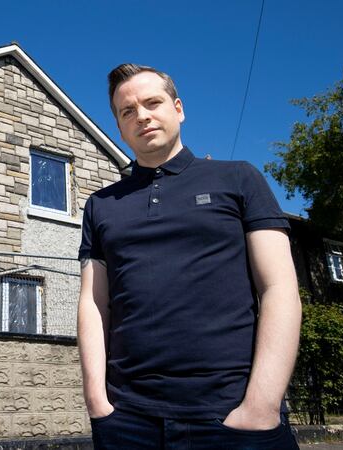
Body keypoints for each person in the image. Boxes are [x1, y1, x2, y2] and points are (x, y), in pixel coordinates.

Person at [77, 63, 302, 449]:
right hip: (128, 421)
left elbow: (279, 288)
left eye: (153, 103)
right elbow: (94, 303)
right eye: (127, 111)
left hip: (234, 417)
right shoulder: (100, 206)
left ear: (178, 108)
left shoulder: (238, 178)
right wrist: (97, 401)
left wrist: (261, 406)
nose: (142, 116)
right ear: (119, 127)